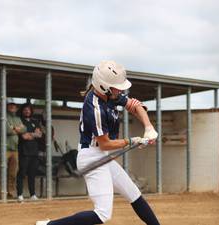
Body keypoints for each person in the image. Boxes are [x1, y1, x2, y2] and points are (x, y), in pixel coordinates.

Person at [36, 60, 160, 225]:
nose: (121, 90)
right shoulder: (94, 108)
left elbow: (136, 106)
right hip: (92, 157)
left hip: (102, 156)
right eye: (117, 87)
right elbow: (105, 144)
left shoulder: (111, 95)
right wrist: (132, 141)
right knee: (102, 214)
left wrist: (149, 128)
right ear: (104, 86)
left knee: (134, 193)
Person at [0, 98, 26, 199]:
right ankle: (0, 195)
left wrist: (14, 128)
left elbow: (24, 129)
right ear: (6, 107)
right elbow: (7, 130)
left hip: (14, 150)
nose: (13, 107)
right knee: (1, 173)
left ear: (17, 108)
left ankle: (11, 194)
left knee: (13, 174)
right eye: (10, 105)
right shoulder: (3, 117)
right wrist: (17, 129)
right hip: (3, 149)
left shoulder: (17, 118)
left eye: (14, 105)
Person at [16, 103, 43, 202]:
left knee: (32, 173)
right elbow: (23, 136)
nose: (27, 111)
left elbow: (39, 134)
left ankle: (32, 194)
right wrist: (33, 134)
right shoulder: (20, 121)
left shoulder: (35, 121)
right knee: (22, 173)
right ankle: (20, 194)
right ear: (22, 111)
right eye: (25, 109)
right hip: (24, 151)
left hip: (34, 151)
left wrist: (30, 134)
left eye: (29, 109)